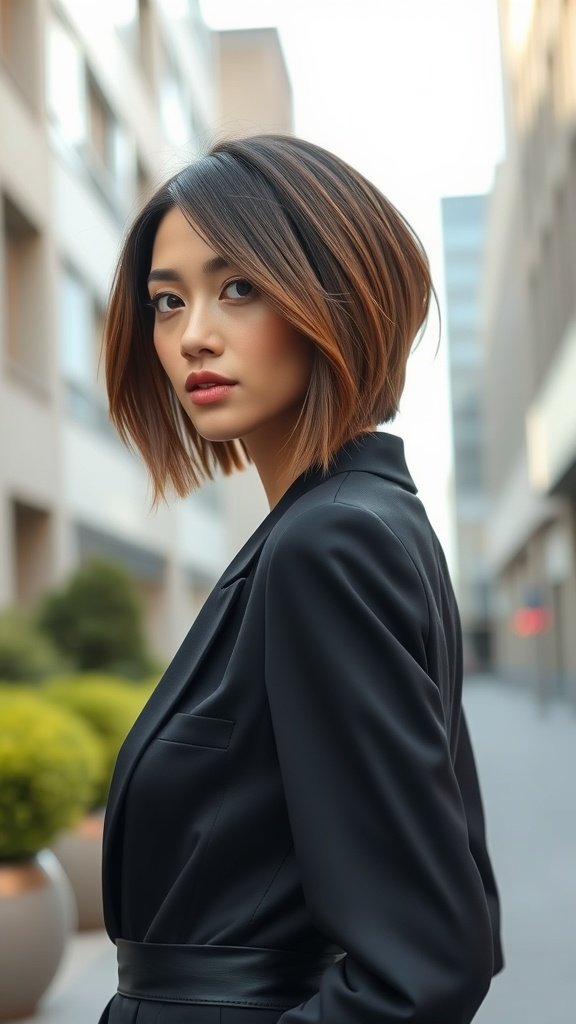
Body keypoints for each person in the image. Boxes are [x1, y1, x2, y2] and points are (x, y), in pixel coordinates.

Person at [98, 133, 503, 1024]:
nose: (193, 335)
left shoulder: (329, 545)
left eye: (237, 286)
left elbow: (427, 961)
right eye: (167, 302)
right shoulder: (352, 523)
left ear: (338, 292)